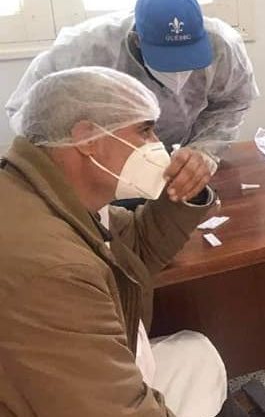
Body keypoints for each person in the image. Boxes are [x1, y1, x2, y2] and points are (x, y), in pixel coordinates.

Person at [0, 67, 228, 416]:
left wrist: (186, 192)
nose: (158, 144)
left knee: (197, 354)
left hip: (79, 381)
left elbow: (133, 248)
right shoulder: (52, 268)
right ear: (88, 139)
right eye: (145, 130)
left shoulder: (47, 191)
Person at [5, 0, 259, 175]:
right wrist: (83, 162)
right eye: (167, 60)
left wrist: (203, 151)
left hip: (176, 157)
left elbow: (233, 102)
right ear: (136, 39)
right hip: (103, 168)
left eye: (188, 59)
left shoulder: (222, 45)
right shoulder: (84, 50)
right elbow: (25, 114)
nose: (179, 76)